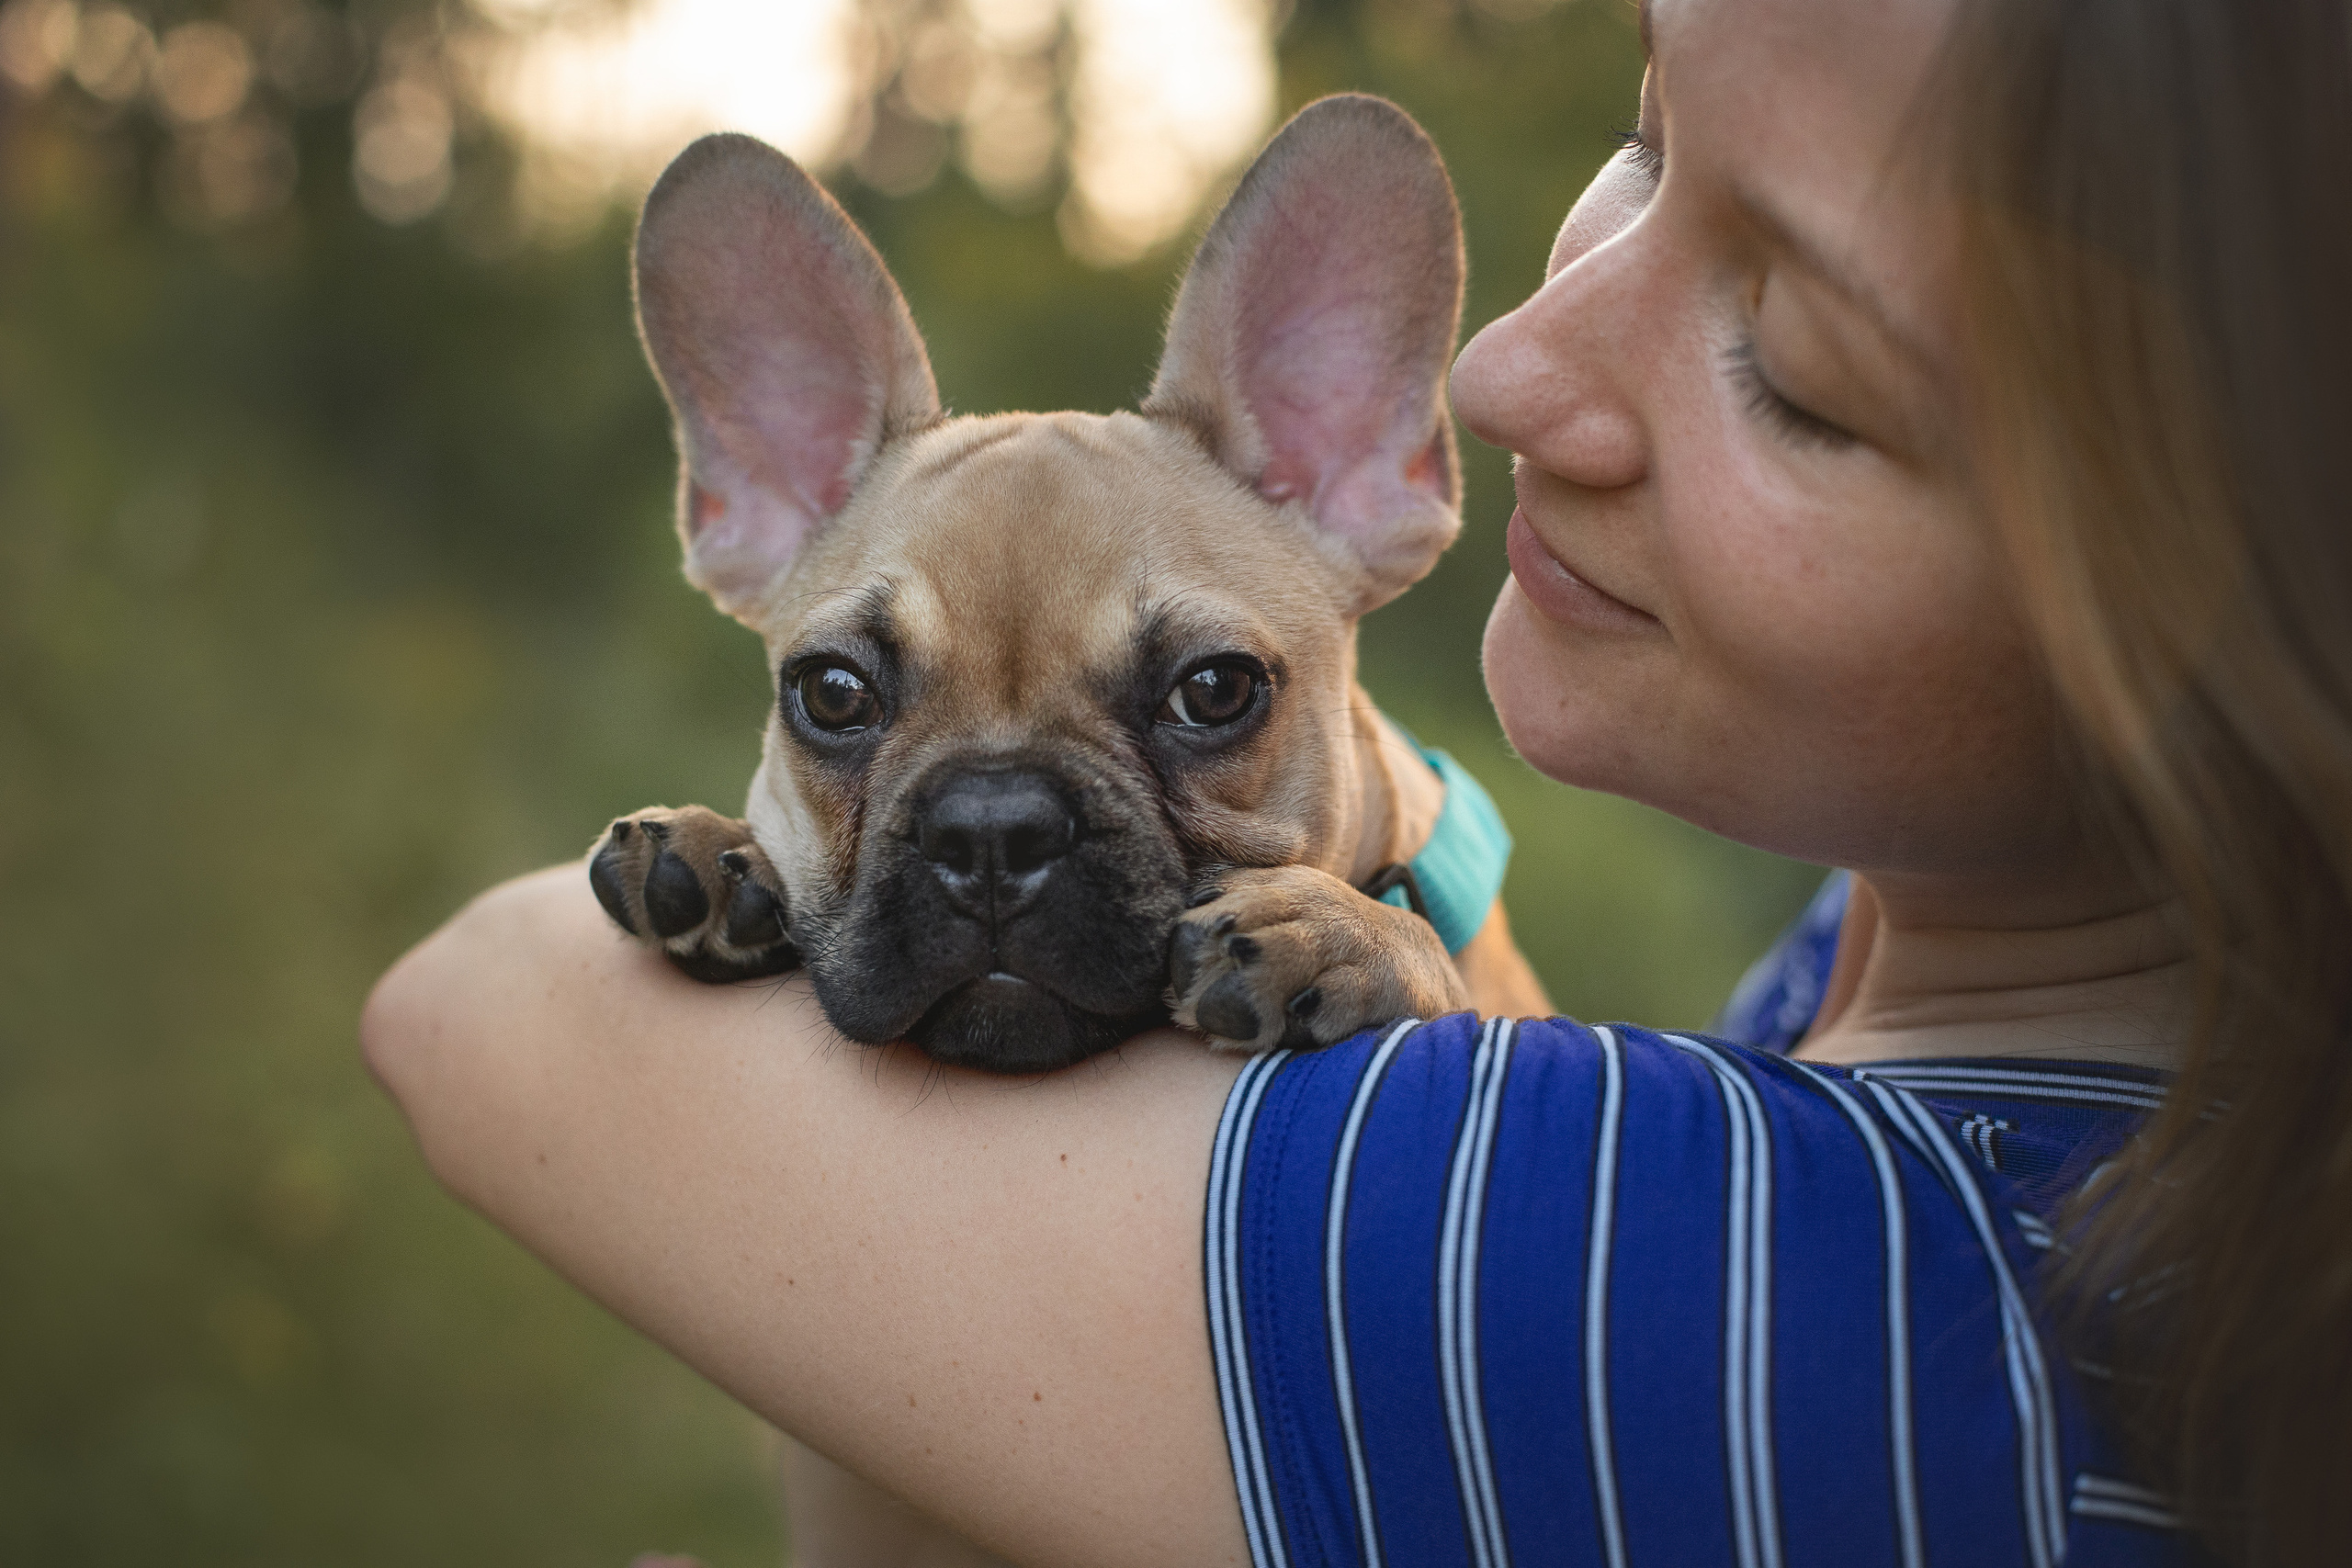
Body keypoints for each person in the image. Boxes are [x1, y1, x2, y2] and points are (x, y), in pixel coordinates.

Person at [360, 0, 2352, 1562]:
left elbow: (473, 1003)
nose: (1505, 374)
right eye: (1639, 138)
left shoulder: (1665, 1273)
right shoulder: (1888, 967)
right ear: (746, 509)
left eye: (1801, 365)